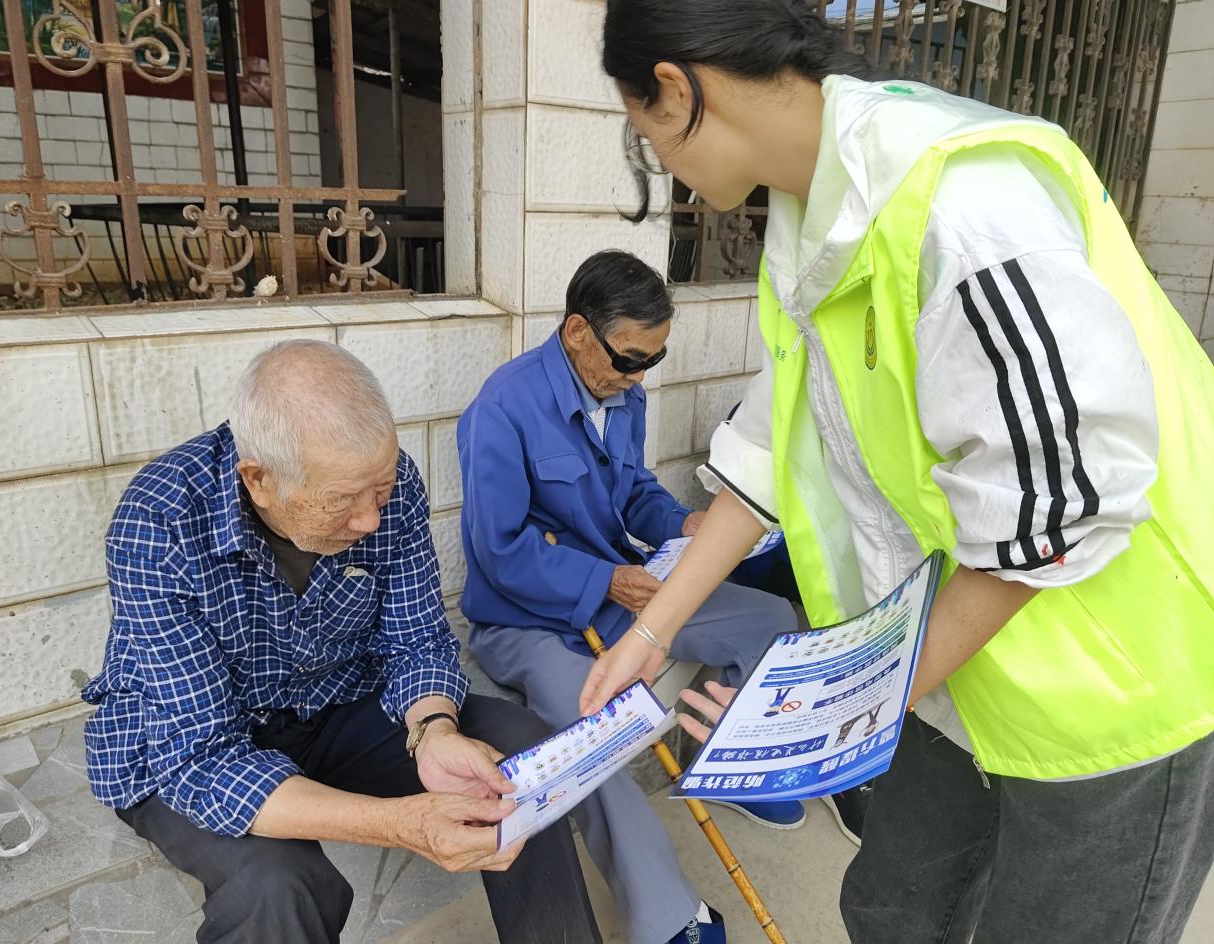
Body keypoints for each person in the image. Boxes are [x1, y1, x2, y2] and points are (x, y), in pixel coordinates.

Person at [577, 3, 1214, 943]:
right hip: (951, 658)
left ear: (675, 90)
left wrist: (833, 713)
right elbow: (774, 444)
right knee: (891, 909)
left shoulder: (962, 206)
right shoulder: (809, 219)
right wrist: (650, 632)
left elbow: (1058, 507)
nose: (658, 164)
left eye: (642, 137)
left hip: (1111, 686)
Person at [82, 340, 601, 944]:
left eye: (379, 492)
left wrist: (432, 730)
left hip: (334, 702)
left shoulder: (386, 482)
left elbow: (417, 639)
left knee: (517, 757)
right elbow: (202, 758)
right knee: (277, 886)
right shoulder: (159, 520)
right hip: (192, 744)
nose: (370, 520)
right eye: (342, 502)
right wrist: (401, 822)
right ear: (259, 481)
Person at [458, 250, 805, 944]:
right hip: (526, 620)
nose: (639, 375)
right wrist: (604, 580)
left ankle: (733, 770)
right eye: (629, 359)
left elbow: (633, 489)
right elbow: (498, 551)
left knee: (770, 619)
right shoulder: (501, 407)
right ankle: (668, 919)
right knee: (593, 733)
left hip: (621, 596)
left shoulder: (624, 392)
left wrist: (683, 523)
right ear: (576, 332)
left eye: (653, 359)